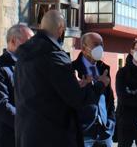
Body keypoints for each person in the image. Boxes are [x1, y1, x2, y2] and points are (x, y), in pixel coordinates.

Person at [14, 10, 111, 147]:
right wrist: (100, 84)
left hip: (28, 134)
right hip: (53, 135)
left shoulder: (24, 54)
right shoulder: (55, 55)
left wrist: (75, 85)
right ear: (60, 29)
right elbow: (77, 99)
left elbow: (46, 90)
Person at [0, 23, 34, 147]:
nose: (32, 47)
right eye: (28, 42)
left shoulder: (29, 66)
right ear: (13, 41)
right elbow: (1, 105)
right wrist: (28, 122)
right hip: (4, 139)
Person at [71, 32, 116, 147]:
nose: (100, 48)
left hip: (104, 132)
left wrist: (111, 122)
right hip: (83, 133)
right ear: (83, 47)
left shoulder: (104, 68)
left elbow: (109, 99)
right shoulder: (72, 69)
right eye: (96, 44)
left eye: (101, 44)